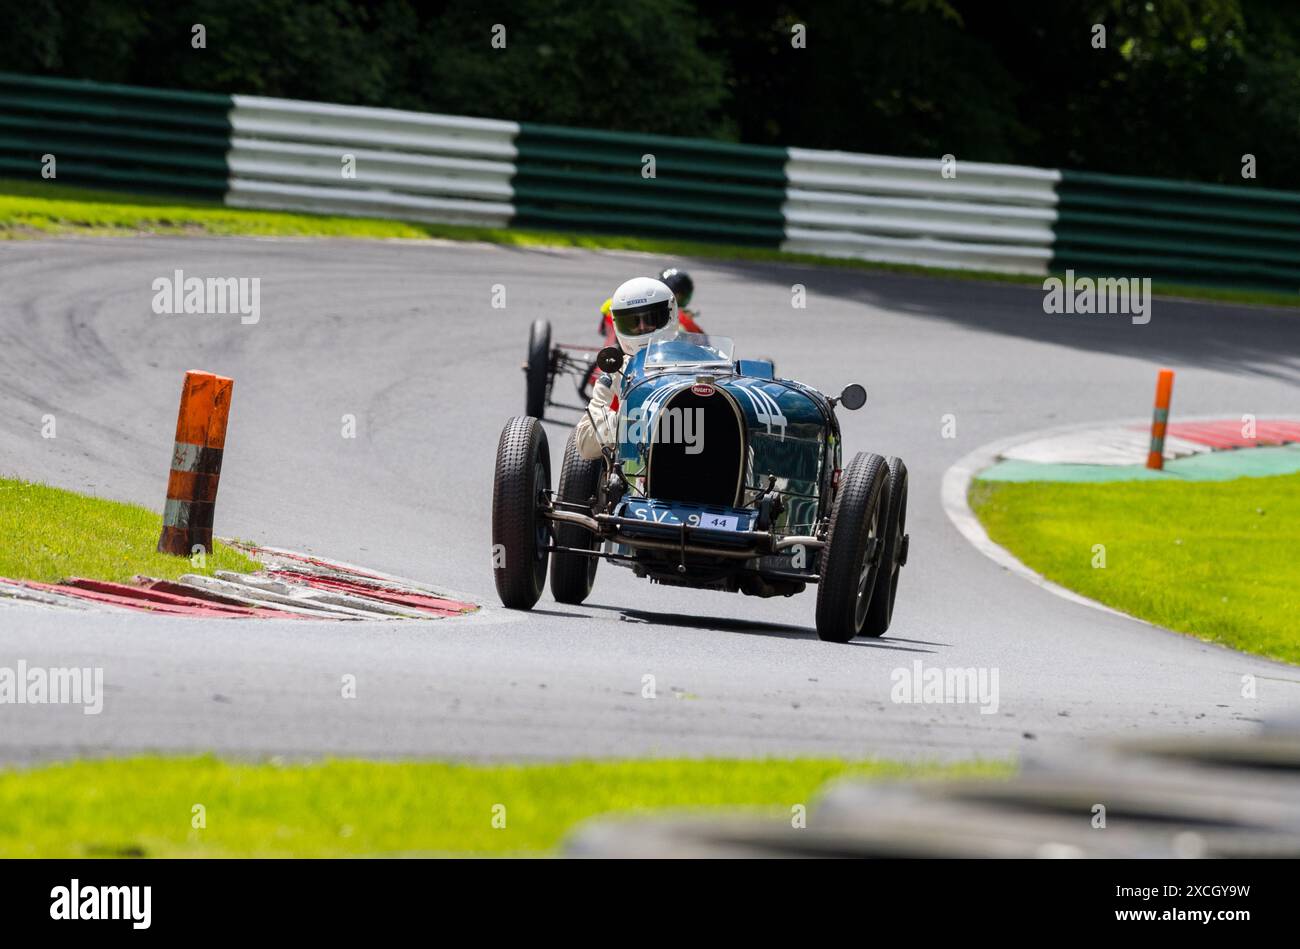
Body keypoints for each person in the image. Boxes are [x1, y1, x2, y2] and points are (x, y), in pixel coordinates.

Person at [575, 276, 677, 461]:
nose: (642, 327)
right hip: (633, 476)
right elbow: (585, 446)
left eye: (651, 318)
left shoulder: (700, 364)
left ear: (669, 314)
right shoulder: (616, 372)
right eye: (632, 322)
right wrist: (633, 423)